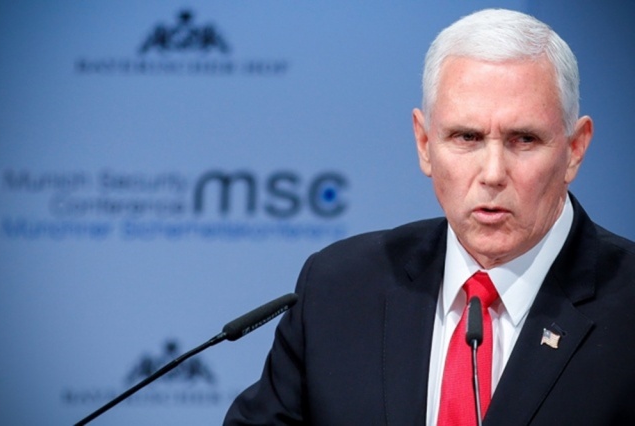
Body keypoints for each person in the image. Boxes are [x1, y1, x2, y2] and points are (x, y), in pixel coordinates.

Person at [224, 8, 635, 425]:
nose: (493, 173)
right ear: (424, 143)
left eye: (524, 139)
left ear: (575, 149)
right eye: (467, 137)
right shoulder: (339, 288)